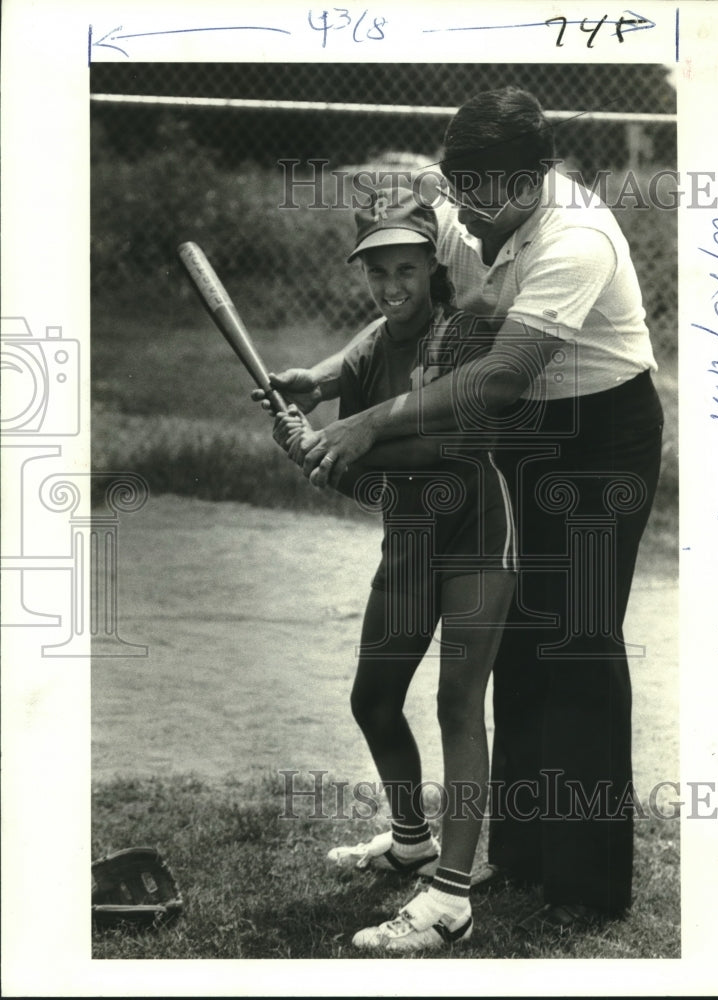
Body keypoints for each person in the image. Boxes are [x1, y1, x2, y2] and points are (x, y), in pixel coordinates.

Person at [263, 87, 665, 934]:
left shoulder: (576, 238)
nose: (465, 216)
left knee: (579, 639)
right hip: (526, 425)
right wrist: (334, 379)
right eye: (457, 186)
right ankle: (519, 857)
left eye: (479, 195)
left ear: (534, 179)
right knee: (522, 638)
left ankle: (588, 884)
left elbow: (500, 376)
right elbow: (404, 266)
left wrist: (368, 423)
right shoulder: (467, 198)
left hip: (599, 429)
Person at [268, 182, 517, 952]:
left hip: (478, 529)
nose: (391, 287)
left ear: (433, 265)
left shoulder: (465, 331)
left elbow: (451, 447)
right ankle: (412, 841)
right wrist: (304, 415)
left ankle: (451, 896)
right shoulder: (377, 340)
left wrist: (339, 449)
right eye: (376, 271)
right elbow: (337, 388)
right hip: (412, 540)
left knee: (455, 703)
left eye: (405, 268)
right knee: (372, 699)